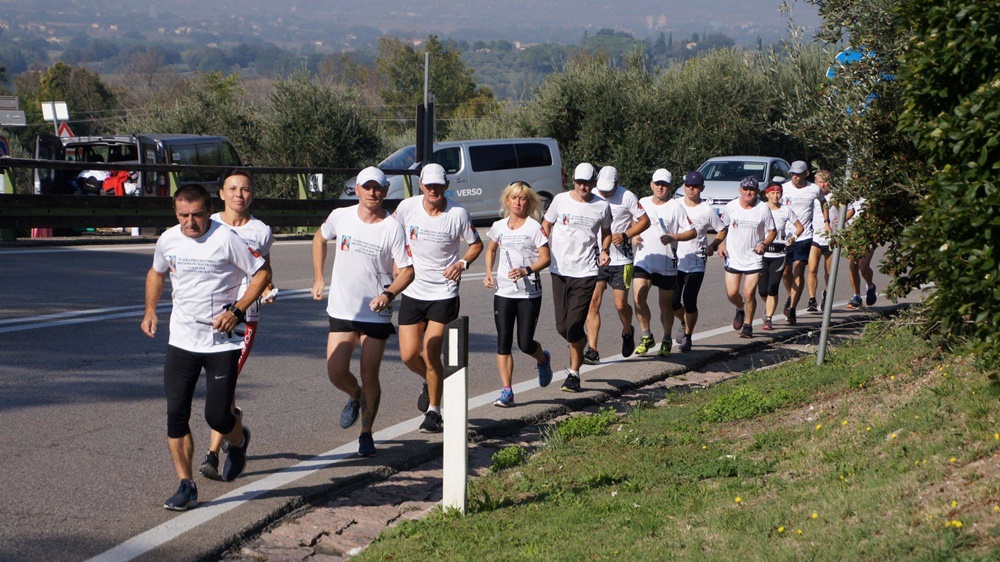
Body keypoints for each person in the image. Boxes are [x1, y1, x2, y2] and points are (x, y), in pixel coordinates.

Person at [141, 184, 271, 511]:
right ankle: (186, 485)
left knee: (218, 416)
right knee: (176, 416)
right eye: (183, 215)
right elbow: (156, 273)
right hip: (182, 340)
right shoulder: (168, 239)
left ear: (208, 211)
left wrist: (237, 310)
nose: (190, 222)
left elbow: (262, 273)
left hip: (221, 342)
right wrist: (151, 310)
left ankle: (238, 439)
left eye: (197, 215)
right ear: (175, 213)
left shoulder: (227, 238)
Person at [312, 166, 414, 457]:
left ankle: (366, 432)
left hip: (376, 311)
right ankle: (355, 396)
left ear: (384, 191)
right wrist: (319, 278)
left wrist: (388, 293)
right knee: (336, 372)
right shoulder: (340, 216)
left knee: (370, 373)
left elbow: (407, 271)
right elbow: (319, 239)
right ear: (356, 189)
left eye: (378, 187)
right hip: (343, 307)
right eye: (366, 187)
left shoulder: (392, 227)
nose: (372, 192)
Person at [198, 171, 278, 481]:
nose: (238, 195)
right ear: (220, 193)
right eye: (232, 189)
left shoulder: (261, 231)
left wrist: (268, 289)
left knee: (224, 387)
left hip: (244, 319)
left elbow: (264, 271)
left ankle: (213, 455)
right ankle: (236, 430)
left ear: (252, 195)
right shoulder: (208, 224)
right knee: (218, 391)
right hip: (208, 315)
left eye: (245, 189)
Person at [394, 163, 483, 433]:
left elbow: (476, 244)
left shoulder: (457, 213)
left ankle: (434, 412)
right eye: (428, 185)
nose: (433, 190)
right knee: (409, 355)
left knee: (430, 350)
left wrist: (463, 264)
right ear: (421, 185)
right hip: (412, 290)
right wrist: (396, 266)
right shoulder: (407, 207)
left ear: (446, 186)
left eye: (438, 185)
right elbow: (391, 235)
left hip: (444, 292)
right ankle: (430, 380)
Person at [541, 162, 612, 392]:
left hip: (586, 272)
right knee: (563, 327)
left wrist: (604, 250)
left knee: (573, 325)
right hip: (559, 270)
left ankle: (574, 374)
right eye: (578, 182)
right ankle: (582, 344)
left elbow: (607, 232)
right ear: (573, 181)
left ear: (594, 183)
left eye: (587, 183)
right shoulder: (560, 200)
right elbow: (547, 224)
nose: (582, 186)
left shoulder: (602, 206)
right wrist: (540, 245)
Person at [482, 181, 554, 407]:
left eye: (523, 198)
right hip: (503, 291)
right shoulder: (499, 226)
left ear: (529, 201)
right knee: (503, 342)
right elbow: (491, 250)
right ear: (507, 200)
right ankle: (507, 391)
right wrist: (488, 273)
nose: (518, 202)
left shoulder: (534, 227)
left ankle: (542, 360)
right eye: (514, 198)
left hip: (528, 293)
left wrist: (527, 270)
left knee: (524, 343)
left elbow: (546, 258)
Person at [583, 165, 650, 363]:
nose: (604, 193)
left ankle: (627, 331)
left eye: (608, 190)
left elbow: (645, 221)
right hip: (596, 257)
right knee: (593, 303)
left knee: (620, 305)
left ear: (617, 184)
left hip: (621, 259)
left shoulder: (627, 196)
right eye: (602, 189)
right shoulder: (592, 194)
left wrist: (626, 235)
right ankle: (593, 349)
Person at [631, 169, 695, 357]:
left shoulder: (675, 207)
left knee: (665, 305)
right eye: (657, 183)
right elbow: (631, 224)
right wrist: (633, 235)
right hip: (644, 260)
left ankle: (666, 338)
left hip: (666, 262)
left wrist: (674, 236)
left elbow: (692, 232)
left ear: (669, 187)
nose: (660, 187)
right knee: (638, 298)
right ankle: (646, 335)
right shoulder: (641, 203)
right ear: (651, 184)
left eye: (664, 184)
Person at [672, 171, 727, 352]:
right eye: (688, 185)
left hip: (697, 260)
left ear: (701, 188)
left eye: (695, 186)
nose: (691, 189)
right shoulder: (676, 205)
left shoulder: (707, 210)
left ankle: (688, 336)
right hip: (676, 260)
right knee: (672, 302)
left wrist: (714, 244)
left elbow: (721, 229)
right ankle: (683, 320)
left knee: (689, 300)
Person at [717, 177, 776, 339]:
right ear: (740, 190)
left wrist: (763, 244)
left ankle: (748, 325)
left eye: (752, 189)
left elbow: (772, 231)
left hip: (753, 257)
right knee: (732, 293)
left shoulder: (763, 208)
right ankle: (739, 308)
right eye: (745, 189)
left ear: (757, 191)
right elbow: (722, 228)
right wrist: (721, 244)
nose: (748, 192)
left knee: (749, 293)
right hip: (734, 256)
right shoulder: (731, 207)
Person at [780, 160, 829, 325]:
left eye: (798, 174)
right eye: (793, 174)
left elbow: (824, 202)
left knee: (799, 270)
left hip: (805, 237)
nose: (795, 177)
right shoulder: (784, 188)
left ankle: (792, 308)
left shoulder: (813, 189)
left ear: (806, 174)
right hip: (785, 238)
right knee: (786, 273)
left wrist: (827, 221)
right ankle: (790, 295)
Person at [759, 180, 803, 330]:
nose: (776, 196)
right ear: (767, 194)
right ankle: (767, 307)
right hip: (762, 254)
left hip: (779, 253)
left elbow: (799, 227)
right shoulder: (761, 209)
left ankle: (769, 319)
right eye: (773, 193)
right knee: (762, 290)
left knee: (773, 287)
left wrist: (792, 237)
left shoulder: (786, 210)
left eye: (778, 193)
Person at [804, 170, 839, 312]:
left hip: (831, 238)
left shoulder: (836, 196)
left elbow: (851, 210)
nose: (823, 184)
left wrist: (843, 219)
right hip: (815, 237)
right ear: (815, 183)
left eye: (825, 181)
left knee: (829, 272)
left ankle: (826, 295)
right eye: (820, 182)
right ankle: (812, 299)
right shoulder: (812, 196)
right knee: (812, 269)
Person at [845, 195, 877, 309]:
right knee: (853, 265)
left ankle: (870, 286)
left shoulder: (869, 193)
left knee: (863, 265)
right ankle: (856, 296)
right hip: (849, 233)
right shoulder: (846, 194)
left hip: (867, 233)